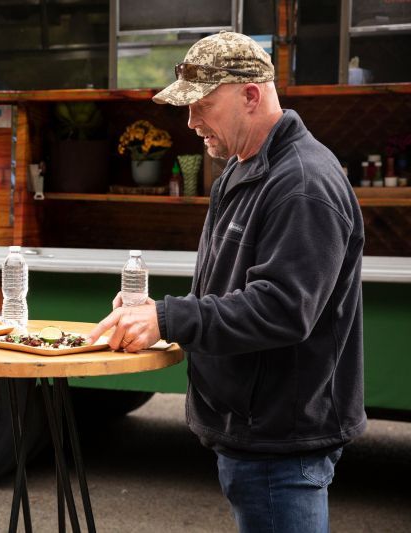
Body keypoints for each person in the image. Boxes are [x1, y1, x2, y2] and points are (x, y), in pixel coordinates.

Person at [89, 31, 366, 532]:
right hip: (252, 434)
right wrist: (156, 313)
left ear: (251, 96)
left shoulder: (301, 183)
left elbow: (283, 307)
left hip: (280, 443)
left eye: (203, 106)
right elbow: (228, 291)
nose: (191, 122)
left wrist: (172, 317)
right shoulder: (245, 167)